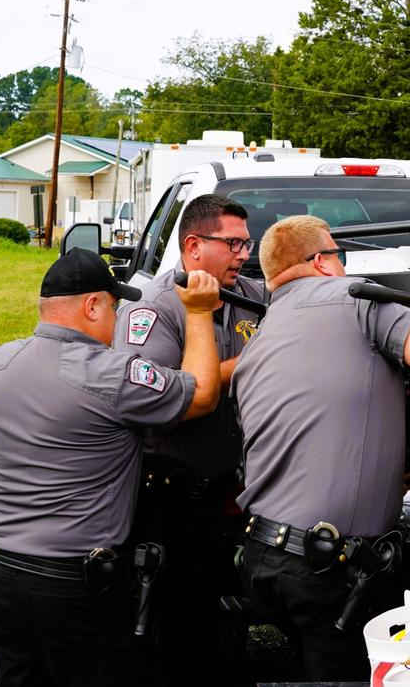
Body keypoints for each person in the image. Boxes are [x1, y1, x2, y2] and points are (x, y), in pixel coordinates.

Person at [0, 248, 221, 687]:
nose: (116, 320)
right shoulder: (115, 375)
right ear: (92, 305)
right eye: (114, 308)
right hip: (80, 588)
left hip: (7, 579)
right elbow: (203, 394)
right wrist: (200, 311)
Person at [232, 215, 410, 681]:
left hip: (262, 555)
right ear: (322, 262)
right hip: (328, 568)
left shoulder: (258, 339)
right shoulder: (356, 297)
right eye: (339, 254)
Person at [114, 193, 266, 683]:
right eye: (234, 243)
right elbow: (151, 399)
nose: (245, 253)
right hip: (165, 494)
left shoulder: (253, 295)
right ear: (194, 246)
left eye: (248, 243)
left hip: (228, 489)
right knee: (160, 627)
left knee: (213, 623)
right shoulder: (156, 308)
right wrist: (247, 366)